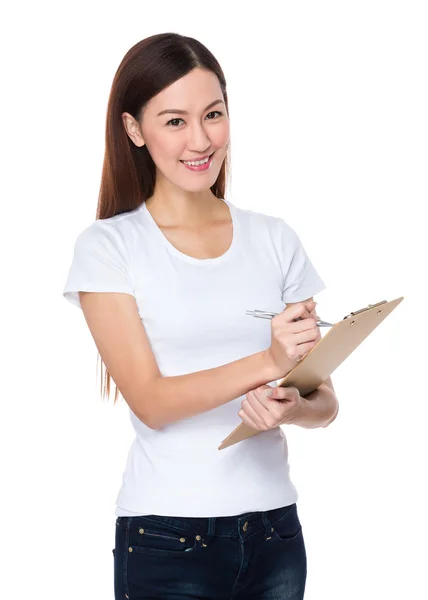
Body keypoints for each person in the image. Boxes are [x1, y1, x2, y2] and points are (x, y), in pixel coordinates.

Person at [63, 32, 339, 600]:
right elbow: (151, 401)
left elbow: (326, 404)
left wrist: (290, 407)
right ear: (134, 130)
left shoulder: (274, 238)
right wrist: (266, 360)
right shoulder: (109, 248)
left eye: (213, 114)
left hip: (275, 532)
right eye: (174, 121)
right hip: (167, 539)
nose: (200, 139)